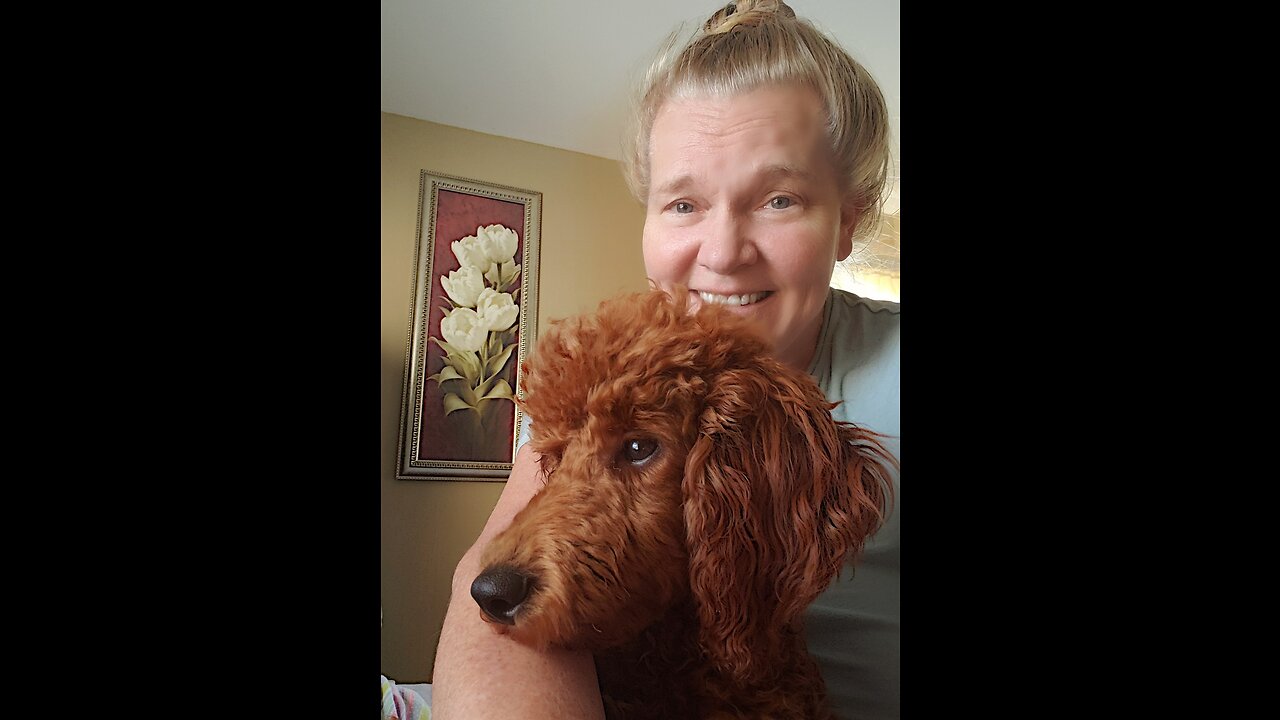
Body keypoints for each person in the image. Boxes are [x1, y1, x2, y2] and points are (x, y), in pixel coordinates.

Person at [431, 1, 899, 717]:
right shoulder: (598, 380)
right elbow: (496, 583)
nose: (720, 253)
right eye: (683, 204)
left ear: (849, 222)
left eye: (778, 198)